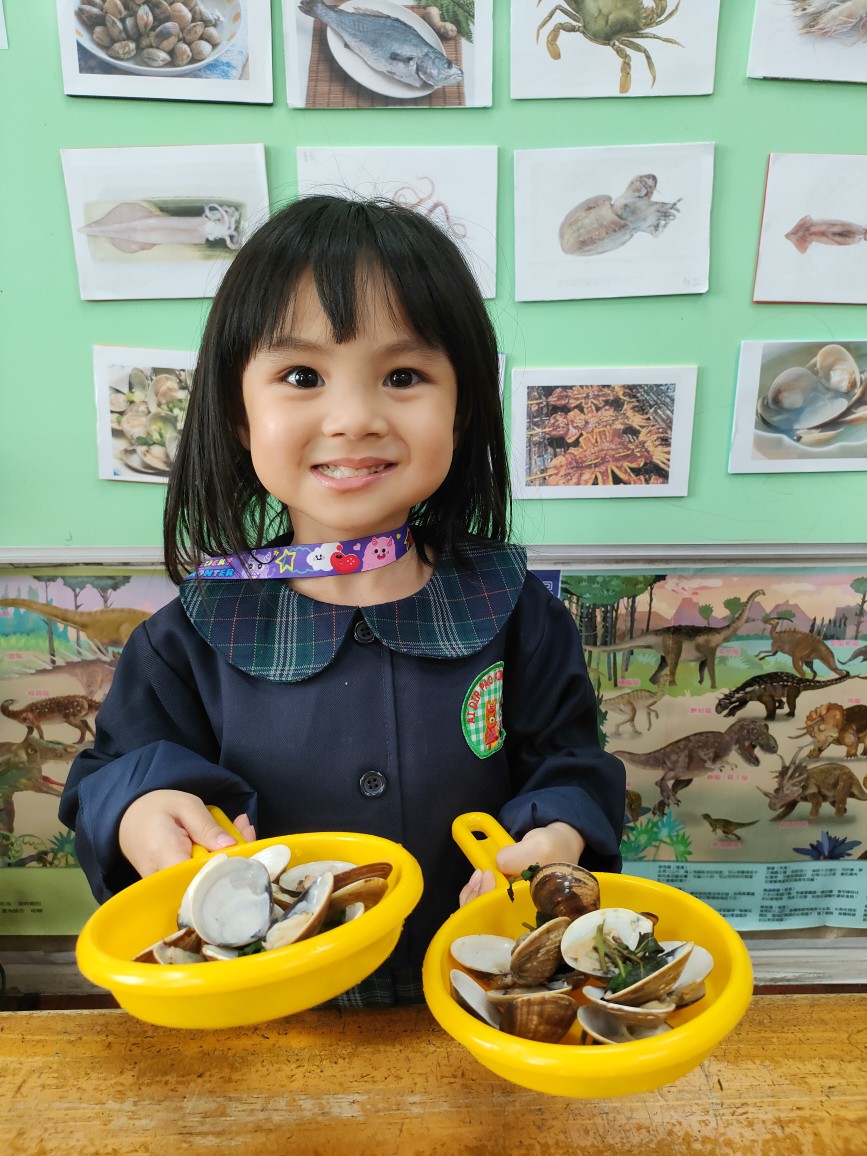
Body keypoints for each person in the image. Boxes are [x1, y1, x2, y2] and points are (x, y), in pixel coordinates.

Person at [60, 195, 626, 1005]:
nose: (354, 418)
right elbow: (107, 778)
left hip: (478, 994)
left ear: (461, 408)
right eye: (301, 376)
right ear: (236, 410)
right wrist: (139, 809)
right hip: (264, 1010)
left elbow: (571, 766)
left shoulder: (516, 611)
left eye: (403, 376)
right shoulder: (183, 639)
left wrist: (558, 829)